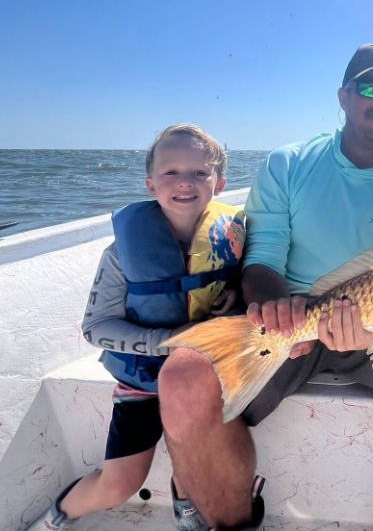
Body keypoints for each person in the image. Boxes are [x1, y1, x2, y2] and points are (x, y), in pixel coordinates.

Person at [157, 45, 373, 531]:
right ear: (344, 96)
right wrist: (283, 314)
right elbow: (262, 260)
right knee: (183, 377)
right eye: (372, 87)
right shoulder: (289, 164)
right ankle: (229, 521)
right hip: (290, 324)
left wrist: (372, 331)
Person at [24, 124, 245, 531]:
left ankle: (188, 504)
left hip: (204, 382)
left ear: (220, 184)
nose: (185, 182)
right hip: (142, 381)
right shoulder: (121, 254)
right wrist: (170, 343)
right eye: (171, 172)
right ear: (150, 184)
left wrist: (236, 293)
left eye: (200, 173)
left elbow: (241, 284)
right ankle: (57, 518)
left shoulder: (232, 237)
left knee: (199, 460)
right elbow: (96, 328)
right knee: (119, 484)